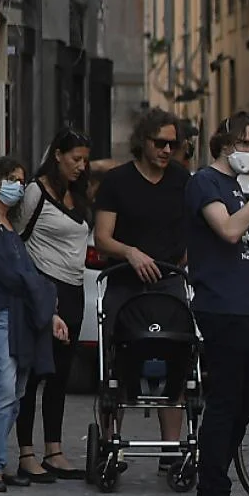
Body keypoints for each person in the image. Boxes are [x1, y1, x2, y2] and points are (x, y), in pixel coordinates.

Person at [185, 113, 249, 496]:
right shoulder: (207, 182)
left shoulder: (237, 189)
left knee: (242, 402)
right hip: (221, 307)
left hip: (245, 305)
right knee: (224, 402)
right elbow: (229, 231)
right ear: (226, 144)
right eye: (246, 145)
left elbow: (242, 246)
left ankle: (216, 482)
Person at [0, 157, 69, 493]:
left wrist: (49, 309)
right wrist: (43, 291)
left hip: (23, 315)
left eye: (22, 180)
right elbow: (11, 275)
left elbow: (26, 273)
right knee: (7, 389)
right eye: (12, 179)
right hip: (1, 314)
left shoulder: (8, 226)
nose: (18, 186)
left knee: (19, 390)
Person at [94, 108, 191, 462]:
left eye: (172, 143)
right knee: (117, 364)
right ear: (143, 142)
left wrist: (185, 257)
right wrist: (131, 253)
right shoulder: (118, 182)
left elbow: (195, 228)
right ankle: (111, 443)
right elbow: (102, 237)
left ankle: (171, 449)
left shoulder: (182, 181)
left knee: (178, 358)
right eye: (160, 143)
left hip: (168, 283)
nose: (167, 150)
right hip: (125, 283)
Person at [12, 129, 93, 482]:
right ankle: (27, 453)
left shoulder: (78, 193)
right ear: (57, 155)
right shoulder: (35, 192)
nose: (81, 166)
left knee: (61, 374)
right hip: (43, 289)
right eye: (75, 158)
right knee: (33, 375)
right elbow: (16, 238)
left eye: (85, 160)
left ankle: (54, 450)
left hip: (75, 290)